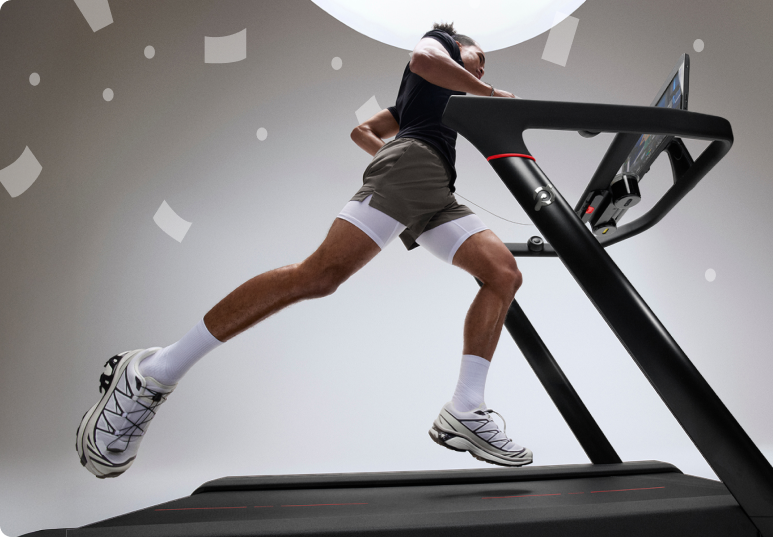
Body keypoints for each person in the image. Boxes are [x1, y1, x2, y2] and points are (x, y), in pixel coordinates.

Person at [75, 22, 532, 479]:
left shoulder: (421, 102)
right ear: (460, 50)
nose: (483, 67)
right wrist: (484, 94)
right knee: (319, 276)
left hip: (434, 190)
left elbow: (362, 130)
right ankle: (155, 369)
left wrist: (389, 149)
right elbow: (423, 60)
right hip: (412, 168)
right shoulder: (441, 49)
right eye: (480, 58)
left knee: (503, 274)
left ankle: (466, 409)